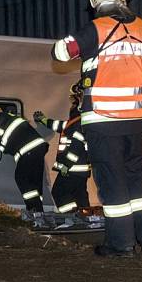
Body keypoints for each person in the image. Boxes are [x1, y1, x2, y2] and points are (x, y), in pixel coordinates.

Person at [51, 0, 142, 256]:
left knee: (112, 182)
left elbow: (61, 53)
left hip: (103, 121)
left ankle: (121, 243)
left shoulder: (95, 29)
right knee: (137, 178)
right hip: (136, 123)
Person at [0, 106, 49, 227]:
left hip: (28, 150)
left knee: (22, 178)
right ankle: (36, 212)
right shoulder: (10, 118)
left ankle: (36, 212)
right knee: (34, 181)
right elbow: (9, 139)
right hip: (37, 149)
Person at [34, 83, 91, 214]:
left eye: (74, 101)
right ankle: (86, 217)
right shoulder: (76, 121)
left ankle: (72, 216)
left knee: (59, 192)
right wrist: (44, 120)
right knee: (79, 194)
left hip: (72, 168)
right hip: (79, 170)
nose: (72, 104)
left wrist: (66, 164)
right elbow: (60, 126)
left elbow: (77, 146)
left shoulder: (79, 122)